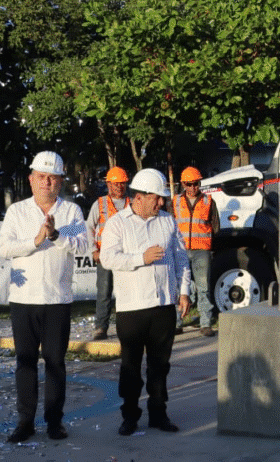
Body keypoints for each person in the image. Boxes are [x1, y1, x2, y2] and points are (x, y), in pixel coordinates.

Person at [0, 151, 89, 443]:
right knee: (25, 362)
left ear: (61, 181)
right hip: (24, 300)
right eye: (41, 177)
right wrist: (36, 240)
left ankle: (54, 422)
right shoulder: (17, 212)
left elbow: (82, 245)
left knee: (55, 362)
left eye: (53, 178)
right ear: (31, 179)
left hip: (57, 300)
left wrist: (55, 236)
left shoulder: (71, 211)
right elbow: (5, 248)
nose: (47, 183)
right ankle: (25, 422)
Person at [100, 168, 191, 436]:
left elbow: (181, 259)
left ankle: (158, 413)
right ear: (139, 197)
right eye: (157, 198)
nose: (161, 203)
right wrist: (141, 257)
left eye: (162, 198)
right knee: (130, 365)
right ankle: (129, 415)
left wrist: (184, 292)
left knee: (160, 365)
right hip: (132, 308)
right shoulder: (118, 223)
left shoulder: (168, 222)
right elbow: (108, 259)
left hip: (163, 305)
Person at [171, 166, 218, 337]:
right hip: (180, 250)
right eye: (189, 184)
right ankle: (177, 322)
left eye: (196, 184)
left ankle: (205, 323)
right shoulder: (175, 202)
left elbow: (215, 226)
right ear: (183, 184)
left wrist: (208, 246)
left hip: (201, 251)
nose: (193, 188)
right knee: (178, 288)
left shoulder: (208, 201)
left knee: (203, 287)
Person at [86, 166, 131, 341]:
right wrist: (93, 250)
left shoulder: (132, 203)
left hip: (126, 257)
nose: (119, 187)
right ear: (108, 184)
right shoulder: (100, 204)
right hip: (104, 256)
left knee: (126, 293)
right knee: (104, 293)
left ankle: (126, 327)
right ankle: (100, 328)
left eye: (122, 183)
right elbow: (89, 228)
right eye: (115, 184)